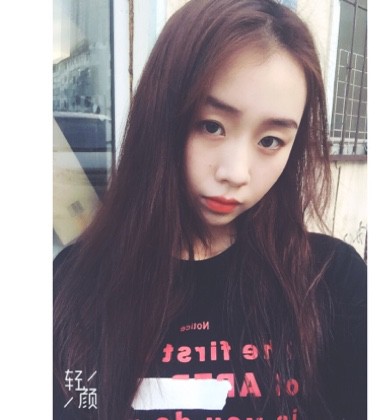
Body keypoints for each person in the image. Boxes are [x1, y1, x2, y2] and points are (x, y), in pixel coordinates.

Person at [53, 0, 367, 419]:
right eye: (211, 126)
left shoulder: (330, 282)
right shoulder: (77, 285)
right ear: (162, 117)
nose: (235, 173)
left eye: (270, 141)